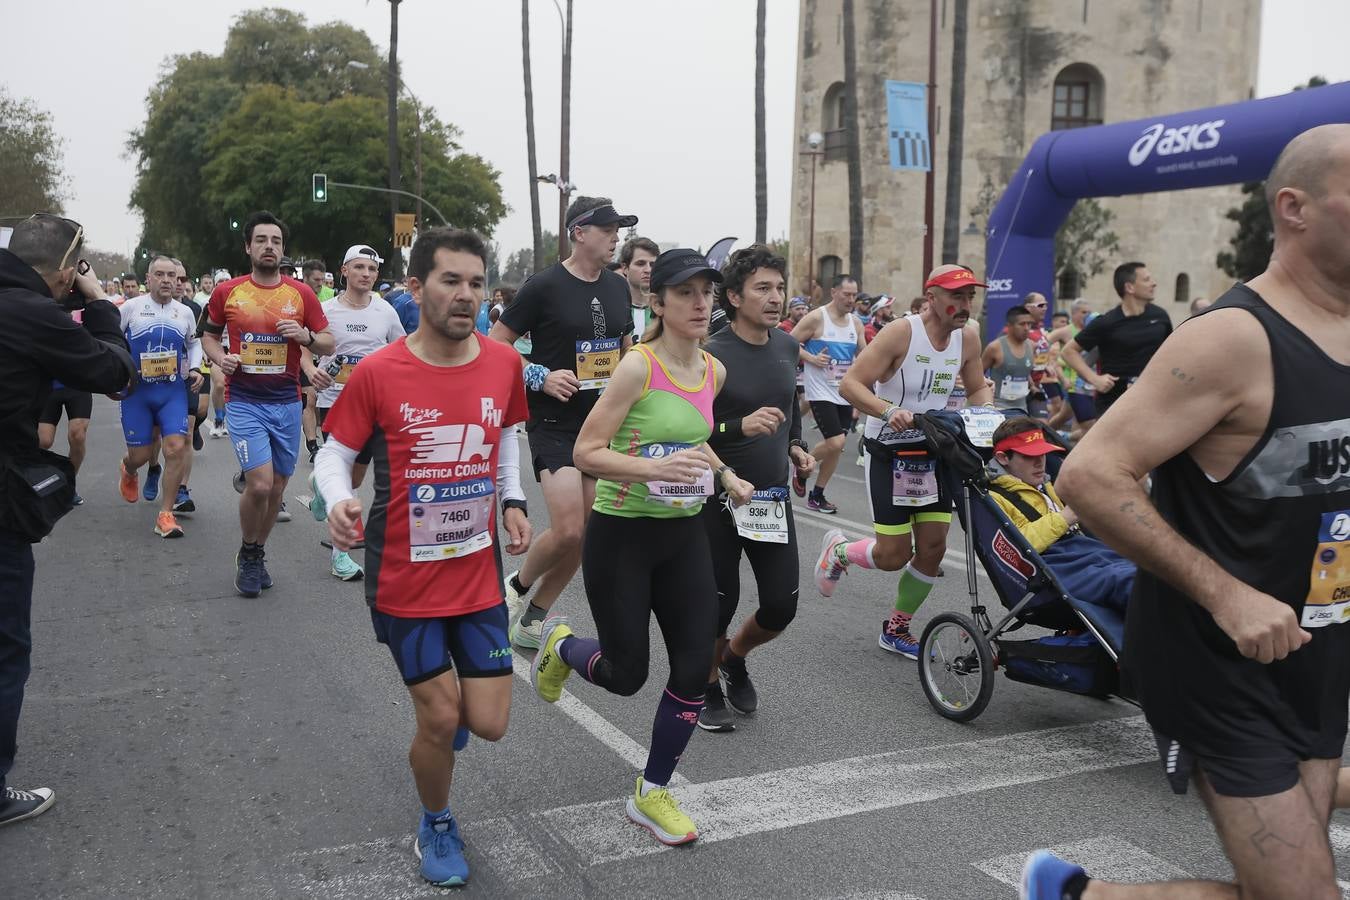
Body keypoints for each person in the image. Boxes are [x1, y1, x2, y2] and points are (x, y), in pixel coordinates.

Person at [1022, 124, 1350, 900]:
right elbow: (1093, 475)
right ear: (1295, 208)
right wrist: (1226, 593)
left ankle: (1081, 896)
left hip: (1317, 654)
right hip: (1218, 662)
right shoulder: (1233, 339)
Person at [314, 228, 527, 886]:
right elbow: (334, 452)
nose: (466, 295)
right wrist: (336, 499)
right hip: (404, 577)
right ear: (415, 288)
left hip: (477, 571)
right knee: (438, 716)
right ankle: (436, 821)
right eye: (450, 281)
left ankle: (448, 729)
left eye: (475, 282)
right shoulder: (380, 372)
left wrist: (513, 499)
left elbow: (508, 433)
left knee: (486, 724)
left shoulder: (501, 363)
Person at [530, 248, 753, 845]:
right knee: (627, 674)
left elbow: (694, 437)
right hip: (623, 536)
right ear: (657, 302)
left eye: (708, 291)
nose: (701, 302)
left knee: (691, 666)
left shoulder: (713, 370)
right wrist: (650, 471)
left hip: (683, 536)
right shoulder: (637, 367)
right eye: (686, 293)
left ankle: (651, 792)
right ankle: (561, 646)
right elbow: (585, 453)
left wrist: (724, 474)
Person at [0, 214, 134, 826]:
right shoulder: (32, 314)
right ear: (64, 269)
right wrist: (101, 301)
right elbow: (115, 373)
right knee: (5, 648)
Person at [489, 196, 637, 649]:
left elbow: (628, 350)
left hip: (600, 426)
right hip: (554, 421)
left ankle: (534, 616)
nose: (616, 237)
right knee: (569, 527)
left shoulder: (618, 287)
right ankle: (514, 590)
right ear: (579, 232)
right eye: (608, 228)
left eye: (619, 229)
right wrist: (540, 375)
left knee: (587, 534)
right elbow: (495, 346)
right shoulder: (543, 285)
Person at [823, 265, 993, 657]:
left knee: (933, 547)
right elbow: (851, 384)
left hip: (934, 453)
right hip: (889, 451)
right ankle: (841, 552)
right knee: (892, 556)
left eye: (970, 297)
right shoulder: (902, 332)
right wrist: (886, 411)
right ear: (931, 297)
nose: (965, 305)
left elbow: (977, 387)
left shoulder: (968, 337)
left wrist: (990, 421)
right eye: (957, 297)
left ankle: (897, 628)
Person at [698, 245, 815, 731]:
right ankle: (705, 685)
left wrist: (797, 448)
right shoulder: (710, 354)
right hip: (717, 496)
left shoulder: (787, 347)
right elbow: (690, 432)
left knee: (780, 605)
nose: (775, 298)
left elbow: (785, 411)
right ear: (734, 296)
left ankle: (734, 658)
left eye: (779, 288)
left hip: (769, 499)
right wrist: (736, 428)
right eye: (762, 289)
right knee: (717, 604)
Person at [201, 211, 334, 597]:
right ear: (248, 247)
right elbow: (209, 337)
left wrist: (305, 335)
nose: (269, 247)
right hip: (244, 402)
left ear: (283, 248)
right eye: (261, 240)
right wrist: (218, 358)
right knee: (259, 485)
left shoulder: (301, 294)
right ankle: (247, 551)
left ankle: (257, 551)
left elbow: (328, 342)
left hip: (287, 403)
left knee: (277, 488)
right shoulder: (228, 292)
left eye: (275, 241)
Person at [303, 243, 406, 580]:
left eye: (372, 269)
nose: (366, 275)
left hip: (374, 405)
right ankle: (340, 556)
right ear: (344, 271)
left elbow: (401, 352)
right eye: (359, 268)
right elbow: (301, 350)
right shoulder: (325, 309)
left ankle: (322, 483)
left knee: (355, 477)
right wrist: (310, 371)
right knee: (347, 478)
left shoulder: (385, 311)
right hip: (335, 402)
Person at [987, 417, 1134, 611]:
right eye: (1029, 456)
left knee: (1152, 570)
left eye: (1043, 454)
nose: (1040, 463)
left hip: (1085, 553)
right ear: (1003, 458)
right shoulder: (994, 496)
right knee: (1129, 581)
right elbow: (1014, 549)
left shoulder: (1045, 484)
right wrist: (1066, 516)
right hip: (1051, 569)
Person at [114, 256, 203, 537]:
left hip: (172, 391)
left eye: (172, 276)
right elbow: (112, 342)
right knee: (140, 456)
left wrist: (197, 367)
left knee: (176, 446)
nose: (167, 280)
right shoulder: (131, 308)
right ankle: (129, 468)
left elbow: (194, 342)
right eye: (160, 275)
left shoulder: (184, 312)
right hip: (137, 393)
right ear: (148, 279)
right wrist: (113, 376)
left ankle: (165, 514)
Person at [791, 273, 867, 513]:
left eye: (854, 295)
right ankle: (802, 465)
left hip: (844, 392)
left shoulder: (856, 323)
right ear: (833, 292)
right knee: (836, 441)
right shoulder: (816, 318)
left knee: (836, 447)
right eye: (846, 294)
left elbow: (866, 355)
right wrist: (812, 358)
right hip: (820, 391)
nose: (851, 299)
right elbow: (789, 343)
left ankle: (817, 494)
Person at [1059, 262, 1171, 420]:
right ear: (1130, 288)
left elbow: (1170, 353)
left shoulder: (1160, 316)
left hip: (1153, 400)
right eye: (1146, 280)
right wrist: (1094, 379)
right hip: (1114, 404)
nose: (1154, 283)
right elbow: (1068, 351)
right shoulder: (1107, 322)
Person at [36, 284, 95, 508]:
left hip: (77, 384)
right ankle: (44, 481)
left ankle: (68, 484)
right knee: (43, 441)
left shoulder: (84, 308)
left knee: (77, 434)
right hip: (49, 384)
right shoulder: (42, 305)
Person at [982, 304, 1035, 410]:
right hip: (999, 407)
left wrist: (1032, 386)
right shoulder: (995, 347)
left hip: (1022, 408)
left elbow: (1021, 371)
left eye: (1029, 324)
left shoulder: (1032, 345)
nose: (1027, 328)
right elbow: (977, 375)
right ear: (1009, 326)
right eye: (1022, 324)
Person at [300, 260, 327, 461]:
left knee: (320, 401)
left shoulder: (330, 296)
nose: (320, 283)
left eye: (322, 280)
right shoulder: (296, 295)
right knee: (310, 397)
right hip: (302, 353)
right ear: (306, 278)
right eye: (316, 280)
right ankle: (312, 445)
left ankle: (329, 443)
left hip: (324, 354)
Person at [620, 236, 660, 339]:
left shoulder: (665, 310)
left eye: (652, 264)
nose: (648, 270)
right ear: (625, 268)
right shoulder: (612, 308)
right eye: (640, 263)